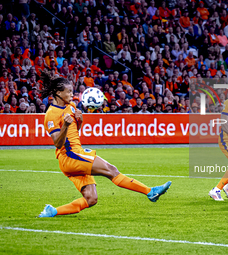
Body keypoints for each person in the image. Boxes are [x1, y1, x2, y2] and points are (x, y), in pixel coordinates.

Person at [38, 70, 171, 218]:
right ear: (57, 92)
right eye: (69, 91)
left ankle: (52, 212)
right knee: (111, 170)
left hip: (76, 154)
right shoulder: (51, 114)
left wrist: (79, 120)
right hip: (70, 156)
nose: (72, 94)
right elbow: (57, 142)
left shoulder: (71, 107)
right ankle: (150, 192)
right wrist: (65, 126)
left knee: (91, 199)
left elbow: (75, 131)